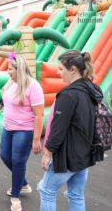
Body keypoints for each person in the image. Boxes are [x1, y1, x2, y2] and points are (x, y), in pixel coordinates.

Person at [38, 51, 103, 211]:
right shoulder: (91, 90)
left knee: (46, 191)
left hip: (67, 157)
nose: (58, 73)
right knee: (76, 195)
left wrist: (47, 154)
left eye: (61, 69)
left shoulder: (68, 95)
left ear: (72, 69)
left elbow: (57, 129)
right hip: (84, 155)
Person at [0, 54, 44, 211]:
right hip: (8, 128)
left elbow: (39, 114)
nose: (7, 71)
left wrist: (36, 139)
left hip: (24, 131)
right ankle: (23, 183)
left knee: (18, 162)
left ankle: (16, 195)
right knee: (4, 156)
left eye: (10, 69)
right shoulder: (12, 82)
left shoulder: (33, 86)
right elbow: (6, 97)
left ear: (19, 69)